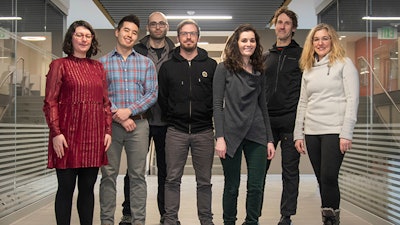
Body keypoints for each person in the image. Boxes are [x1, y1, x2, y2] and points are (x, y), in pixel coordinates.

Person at [43, 20, 112, 225]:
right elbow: (50, 101)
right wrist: (56, 132)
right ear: (71, 39)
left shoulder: (98, 67)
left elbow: (105, 103)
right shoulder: (59, 65)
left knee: (88, 189)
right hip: (66, 136)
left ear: (92, 41)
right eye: (79, 35)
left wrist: (107, 130)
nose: (83, 39)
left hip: (93, 136)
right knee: (65, 189)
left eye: (87, 36)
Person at [294, 23, 359, 225]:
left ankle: (332, 221)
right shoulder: (308, 68)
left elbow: (352, 99)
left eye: (325, 38)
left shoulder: (344, 64)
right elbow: (303, 102)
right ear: (311, 43)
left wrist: (346, 133)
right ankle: (328, 218)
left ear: (332, 40)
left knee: (329, 177)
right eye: (316, 39)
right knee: (322, 180)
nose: (320, 43)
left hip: (335, 130)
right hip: (312, 132)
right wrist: (298, 133)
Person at [213, 24, 275, 225]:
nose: (248, 44)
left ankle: (251, 221)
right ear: (236, 43)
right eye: (244, 40)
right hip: (231, 134)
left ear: (256, 44)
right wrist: (219, 137)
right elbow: (217, 105)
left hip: (257, 133)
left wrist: (269, 139)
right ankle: (229, 221)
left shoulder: (259, 70)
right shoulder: (223, 68)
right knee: (232, 185)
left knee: (256, 186)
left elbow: (263, 106)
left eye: (252, 40)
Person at [99, 14, 158, 225]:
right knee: (108, 175)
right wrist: (119, 115)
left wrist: (130, 111)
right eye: (126, 30)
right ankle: (106, 221)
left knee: (137, 176)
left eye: (134, 32)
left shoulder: (146, 63)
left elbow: (152, 94)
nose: (130, 35)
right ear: (117, 32)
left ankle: (138, 221)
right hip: (110, 127)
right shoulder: (102, 63)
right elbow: (100, 95)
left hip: (139, 125)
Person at [118, 11, 175, 225]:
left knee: (166, 173)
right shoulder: (136, 50)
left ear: (167, 27)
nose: (158, 27)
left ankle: (165, 215)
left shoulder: (175, 53)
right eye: (153, 24)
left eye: (162, 24)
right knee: (134, 170)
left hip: (167, 122)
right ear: (148, 28)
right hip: (140, 120)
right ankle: (128, 212)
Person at [158, 19, 217, 225]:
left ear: (198, 37)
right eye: (184, 33)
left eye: (192, 33)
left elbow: (215, 98)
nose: (188, 37)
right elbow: (162, 98)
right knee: (172, 180)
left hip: (204, 132)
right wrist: (173, 117)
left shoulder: (211, 65)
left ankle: (206, 220)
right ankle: (171, 220)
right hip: (176, 131)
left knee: (204, 182)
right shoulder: (167, 67)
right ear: (178, 37)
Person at [261, 6, 303, 225]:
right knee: (260, 171)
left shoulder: (302, 55)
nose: (282, 26)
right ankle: (254, 213)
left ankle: (286, 216)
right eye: (279, 22)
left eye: (287, 23)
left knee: (290, 172)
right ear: (275, 26)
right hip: (266, 123)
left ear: (293, 28)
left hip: (290, 122)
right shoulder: (266, 56)